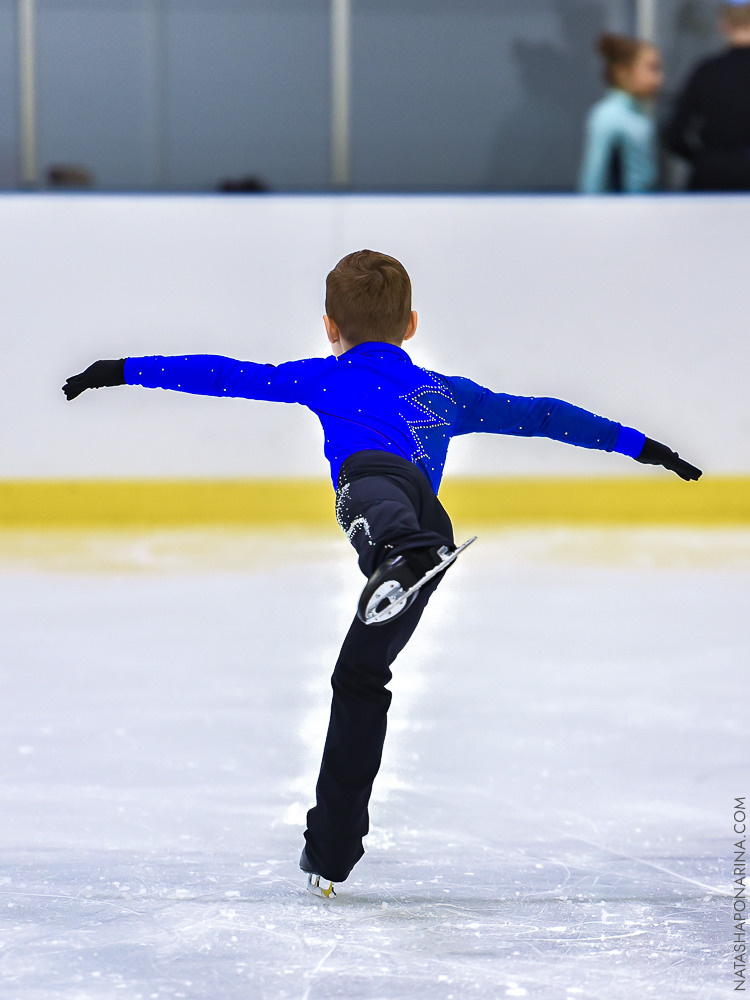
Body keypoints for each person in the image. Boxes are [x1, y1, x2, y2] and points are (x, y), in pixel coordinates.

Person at [62, 249, 702, 899]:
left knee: (366, 490)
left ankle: (400, 557)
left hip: (389, 512)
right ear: (412, 325)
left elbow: (224, 375)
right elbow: (542, 415)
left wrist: (120, 370)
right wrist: (642, 446)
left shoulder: (322, 377)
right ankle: (331, 850)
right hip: (430, 528)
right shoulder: (446, 394)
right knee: (359, 676)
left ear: (329, 328)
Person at [664, 0, 750, 191]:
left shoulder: (706, 72)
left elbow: (674, 135)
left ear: (723, 24)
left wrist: (706, 160)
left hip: (711, 179)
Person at [579, 33, 664, 193]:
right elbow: (594, 181)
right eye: (652, 68)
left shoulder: (640, 115)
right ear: (622, 72)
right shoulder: (606, 116)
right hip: (620, 214)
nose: (659, 78)